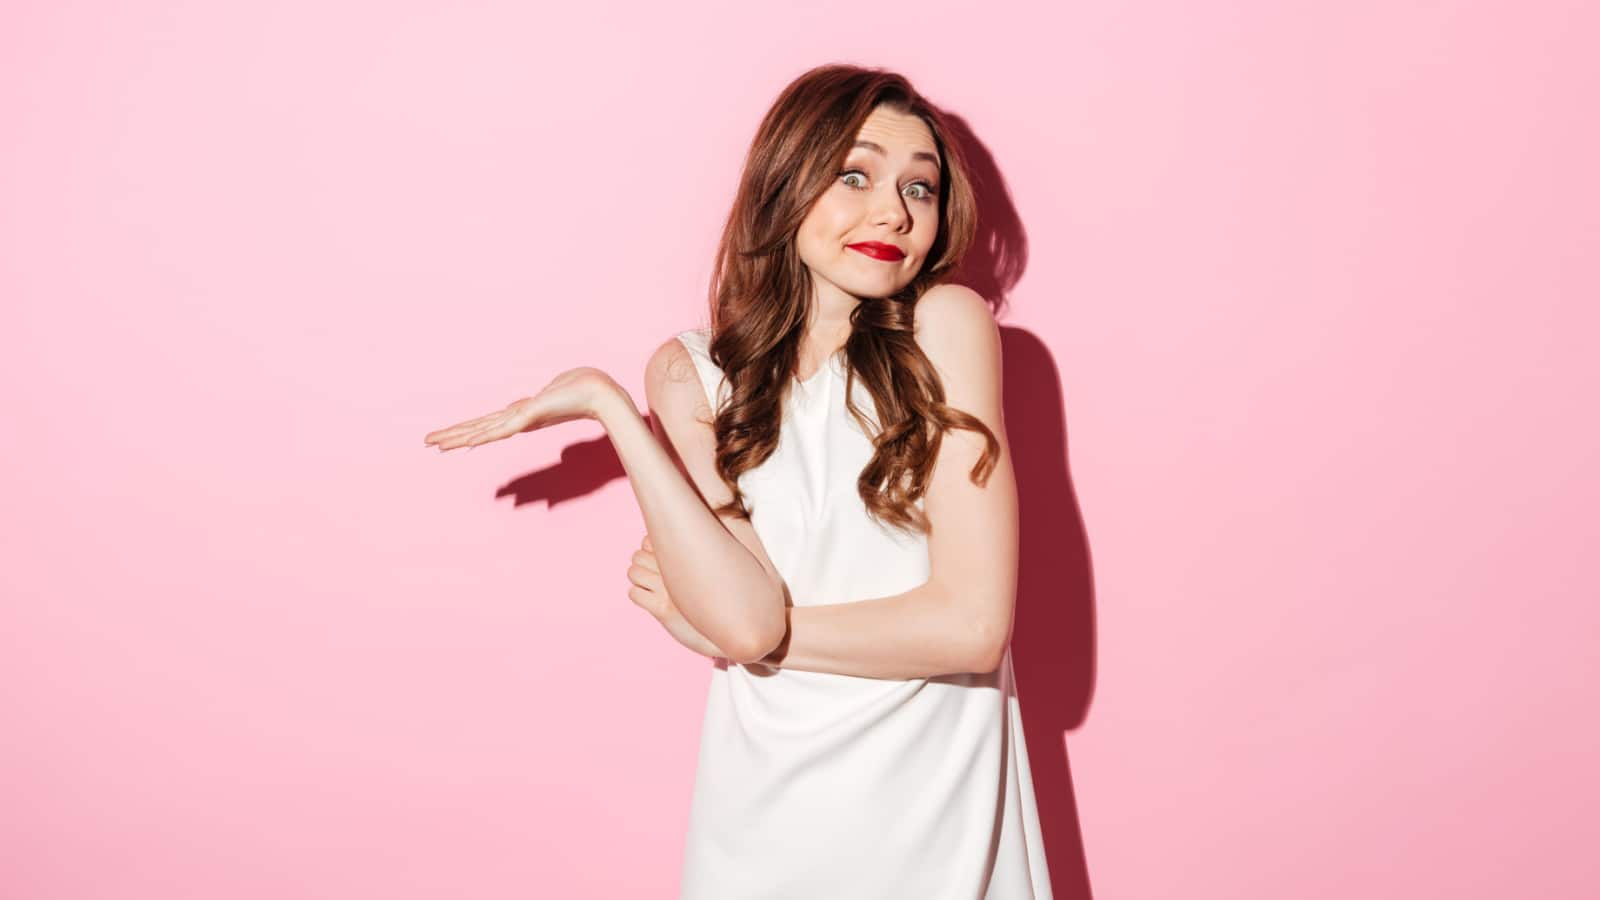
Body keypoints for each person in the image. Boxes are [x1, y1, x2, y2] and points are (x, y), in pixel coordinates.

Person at [424, 63, 1051, 899]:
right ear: (784, 184)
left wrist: (723, 635)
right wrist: (613, 411)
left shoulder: (947, 325)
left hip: (932, 807)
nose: (893, 213)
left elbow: (971, 627)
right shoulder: (692, 378)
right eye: (853, 175)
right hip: (763, 812)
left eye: (921, 189)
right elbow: (748, 618)